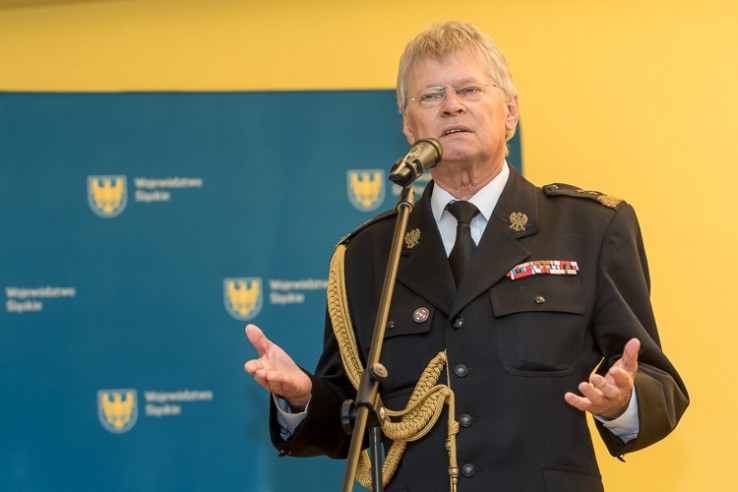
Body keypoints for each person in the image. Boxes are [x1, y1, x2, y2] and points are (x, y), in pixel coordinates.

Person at [244, 21, 689, 492]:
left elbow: (656, 380)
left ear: (510, 111)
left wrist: (622, 403)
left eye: (469, 89)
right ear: (409, 126)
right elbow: (349, 418)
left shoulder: (591, 228)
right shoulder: (368, 254)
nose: (451, 105)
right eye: (430, 95)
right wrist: (302, 398)